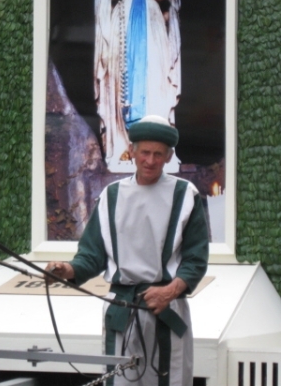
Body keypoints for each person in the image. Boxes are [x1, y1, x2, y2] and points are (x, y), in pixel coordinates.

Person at [46, 115, 209, 386]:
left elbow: (195, 259)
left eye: (158, 154)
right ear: (132, 151)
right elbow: (92, 255)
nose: (150, 160)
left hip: (166, 307)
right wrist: (68, 270)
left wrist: (169, 291)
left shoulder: (185, 195)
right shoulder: (111, 196)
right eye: (144, 152)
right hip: (122, 308)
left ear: (169, 157)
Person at [94, 0, 181, 173]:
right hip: (122, 26)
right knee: (123, 84)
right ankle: (123, 146)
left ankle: (155, 149)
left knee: (155, 82)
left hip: (153, 25)